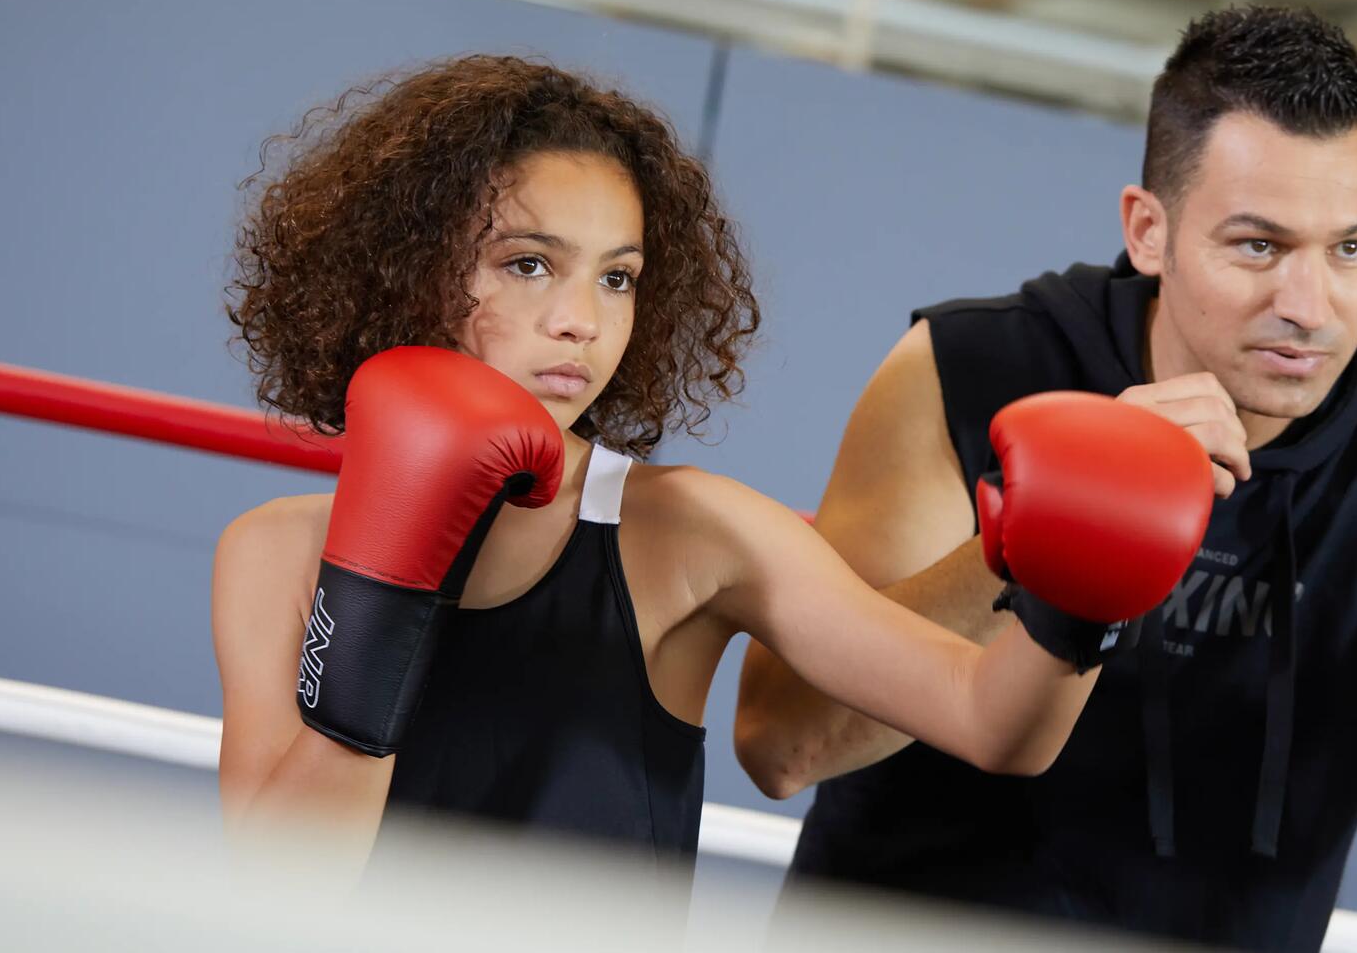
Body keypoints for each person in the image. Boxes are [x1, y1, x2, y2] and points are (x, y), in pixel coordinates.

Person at [734, 6, 1357, 950]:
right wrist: (1046, 523)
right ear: (1150, 229)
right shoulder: (971, 369)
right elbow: (783, 743)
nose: (1309, 308)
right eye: (1259, 246)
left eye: (1350, 247)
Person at [210, 55, 1213, 889]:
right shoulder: (276, 553)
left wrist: (1075, 597)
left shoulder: (690, 535)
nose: (581, 319)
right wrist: (388, 576)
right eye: (528, 263)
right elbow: (274, 889)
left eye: (617, 276)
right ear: (408, 267)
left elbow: (991, 720)